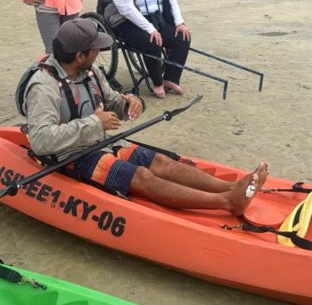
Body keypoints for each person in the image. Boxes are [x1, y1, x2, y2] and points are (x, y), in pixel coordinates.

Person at [23, 18, 267, 216]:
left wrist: (130, 102)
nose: (100, 51)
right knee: (142, 176)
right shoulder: (43, 87)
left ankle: (233, 188)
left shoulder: (90, 70)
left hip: (100, 141)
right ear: (80, 55)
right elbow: (41, 141)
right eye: (95, 48)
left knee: (161, 162)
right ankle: (226, 201)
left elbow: (111, 101)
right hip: (69, 156)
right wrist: (95, 123)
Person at [111, 0, 191, 99]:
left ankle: (171, 78)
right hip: (131, 22)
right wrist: (150, 29)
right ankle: (157, 82)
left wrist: (179, 23)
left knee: (183, 37)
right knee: (153, 41)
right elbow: (127, 9)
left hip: (156, 19)